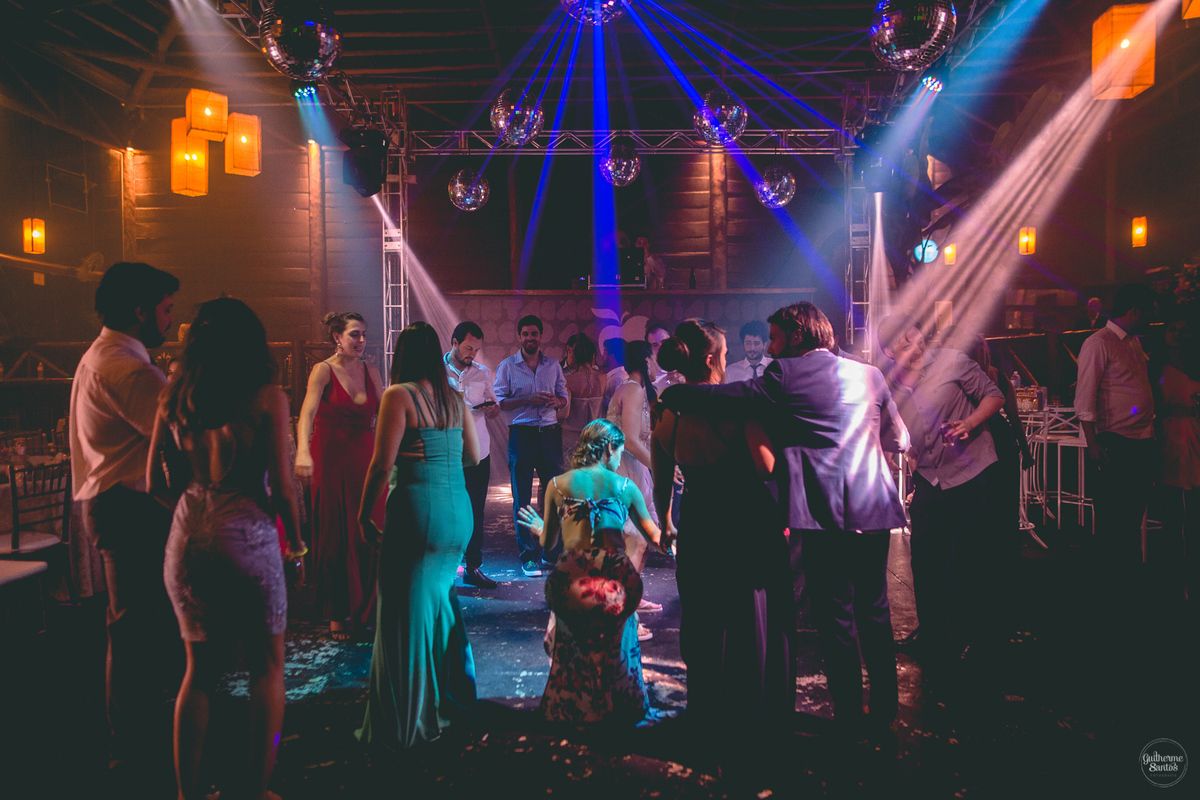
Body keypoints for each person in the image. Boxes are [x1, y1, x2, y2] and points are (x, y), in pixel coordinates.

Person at [658, 304, 910, 735]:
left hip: (823, 512)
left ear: (795, 335)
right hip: (874, 505)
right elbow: (899, 439)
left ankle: (850, 716)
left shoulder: (785, 375)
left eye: (773, 338)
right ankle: (885, 709)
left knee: (837, 618)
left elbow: (730, 398)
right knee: (876, 611)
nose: (770, 349)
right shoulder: (870, 374)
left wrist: (674, 394)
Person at [148, 298, 304, 800]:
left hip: (188, 534)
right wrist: (296, 545)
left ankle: (187, 793)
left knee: (198, 672)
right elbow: (282, 488)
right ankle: (255, 789)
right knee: (266, 668)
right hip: (248, 536)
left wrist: (196, 509)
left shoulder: (175, 398)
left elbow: (153, 481)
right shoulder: (268, 398)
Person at [650, 319, 792, 781]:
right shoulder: (740, 410)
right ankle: (743, 730)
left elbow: (660, 483)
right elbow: (767, 468)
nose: (729, 360)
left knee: (703, 626)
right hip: (741, 527)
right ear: (712, 359)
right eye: (726, 353)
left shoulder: (670, 414)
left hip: (697, 525)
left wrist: (668, 523)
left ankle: (704, 726)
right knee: (744, 625)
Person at [69, 261, 184, 781]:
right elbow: (182, 436)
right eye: (165, 308)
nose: (171, 318)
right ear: (140, 311)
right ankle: (137, 755)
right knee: (139, 635)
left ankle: (135, 746)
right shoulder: (127, 368)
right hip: (131, 508)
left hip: (117, 505)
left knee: (133, 632)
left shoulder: (107, 354)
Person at [357, 321, 481, 750]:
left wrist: (361, 515)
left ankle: (408, 720)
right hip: (457, 512)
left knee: (402, 614)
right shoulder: (455, 397)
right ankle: (450, 701)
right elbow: (475, 454)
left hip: (418, 510)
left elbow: (379, 465)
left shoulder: (399, 395)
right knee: (440, 605)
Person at [516, 419, 667, 724]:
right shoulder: (625, 486)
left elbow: (549, 543)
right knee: (617, 640)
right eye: (621, 452)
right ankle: (618, 709)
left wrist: (538, 528)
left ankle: (573, 710)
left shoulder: (557, 485)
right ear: (608, 449)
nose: (621, 459)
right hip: (614, 581)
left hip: (571, 581)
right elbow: (655, 539)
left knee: (571, 643)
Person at [877, 315, 1005, 663]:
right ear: (890, 351)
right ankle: (932, 633)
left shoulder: (953, 361)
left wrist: (969, 422)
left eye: (917, 339)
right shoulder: (890, 386)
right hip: (931, 478)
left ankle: (972, 637)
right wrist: (907, 453)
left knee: (968, 560)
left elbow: (995, 396)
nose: (916, 347)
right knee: (924, 558)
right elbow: (899, 432)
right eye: (905, 344)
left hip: (971, 471)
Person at [294, 312, 384, 641]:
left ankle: (367, 608)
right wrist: (302, 451)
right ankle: (338, 612)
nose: (361, 341)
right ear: (337, 337)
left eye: (363, 335)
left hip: (365, 455)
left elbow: (388, 413)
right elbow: (307, 413)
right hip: (329, 455)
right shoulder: (323, 370)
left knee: (370, 529)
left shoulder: (371, 370)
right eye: (354, 335)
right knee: (336, 532)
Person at [1075, 284, 1158, 581]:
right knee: (1114, 516)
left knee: (1133, 513)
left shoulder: (1133, 342)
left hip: (1141, 440)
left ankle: (1128, 574)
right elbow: (1084, 397)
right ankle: (1112, 580)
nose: (1152, 317)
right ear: (1135, 310)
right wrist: (1094, 443)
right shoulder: (1099, 342)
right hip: (1115, 441)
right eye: (1149, 310)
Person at [493, 314, 569, 577]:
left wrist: (556, 402)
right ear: (519, 336)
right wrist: (528, 398)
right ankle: (528, 556)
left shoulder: (553, 364)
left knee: (555, 497)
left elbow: (564, 395)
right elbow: (500, 402)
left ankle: (551, 552)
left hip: (549, 434)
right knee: (522, 498)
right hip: (522, 435)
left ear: (541, 336)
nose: (529, 338)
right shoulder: (507, 366)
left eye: (534, 333)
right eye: (525, 334)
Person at [607, 340, 663, 630]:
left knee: (643, 540)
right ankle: (622, 614)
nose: (657, 365)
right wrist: (658, 466)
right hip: (626, 473)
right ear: (645, 360)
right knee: (638, 540)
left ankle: (631, 598)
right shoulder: (631, 388)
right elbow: (628, 439)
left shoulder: (636, 390)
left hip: (636, 471)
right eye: (654, 359)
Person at [445, 321, 502, 589]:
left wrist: (493, 409)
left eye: (477, 350)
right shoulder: (436, 370)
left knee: (475, 509)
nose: (472, 354)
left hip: (479, 449)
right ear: (454, 342)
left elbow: (494, 404)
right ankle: (445, 565)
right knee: (447, 509)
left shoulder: (482, 372)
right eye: (468, 348)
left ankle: (473, 566)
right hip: (446, 449)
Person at [1150, 310, 1199, 604]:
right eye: (1172, 328)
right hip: (1169, 435)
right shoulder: (1155, 365)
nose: (1177, 334)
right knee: (1173, 512)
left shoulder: (1195, 363)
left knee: (1194, 511)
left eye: (1183, 329)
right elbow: (1142, 403)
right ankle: (1173, 576)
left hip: (1196, 431)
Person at [559, 332, 605, 464]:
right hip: (595, 436)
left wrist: (546, 415)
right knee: (593, 478)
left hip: (572, 438)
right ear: (593, 355)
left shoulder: (568, 380)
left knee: (573, 479)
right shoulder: (603, 378)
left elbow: (564, 413)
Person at [600, 337, 627, 415]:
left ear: (612, 357)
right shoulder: (614, 376)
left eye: (605, 352)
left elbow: (618, 407)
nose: (602, 355)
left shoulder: (617, 378)